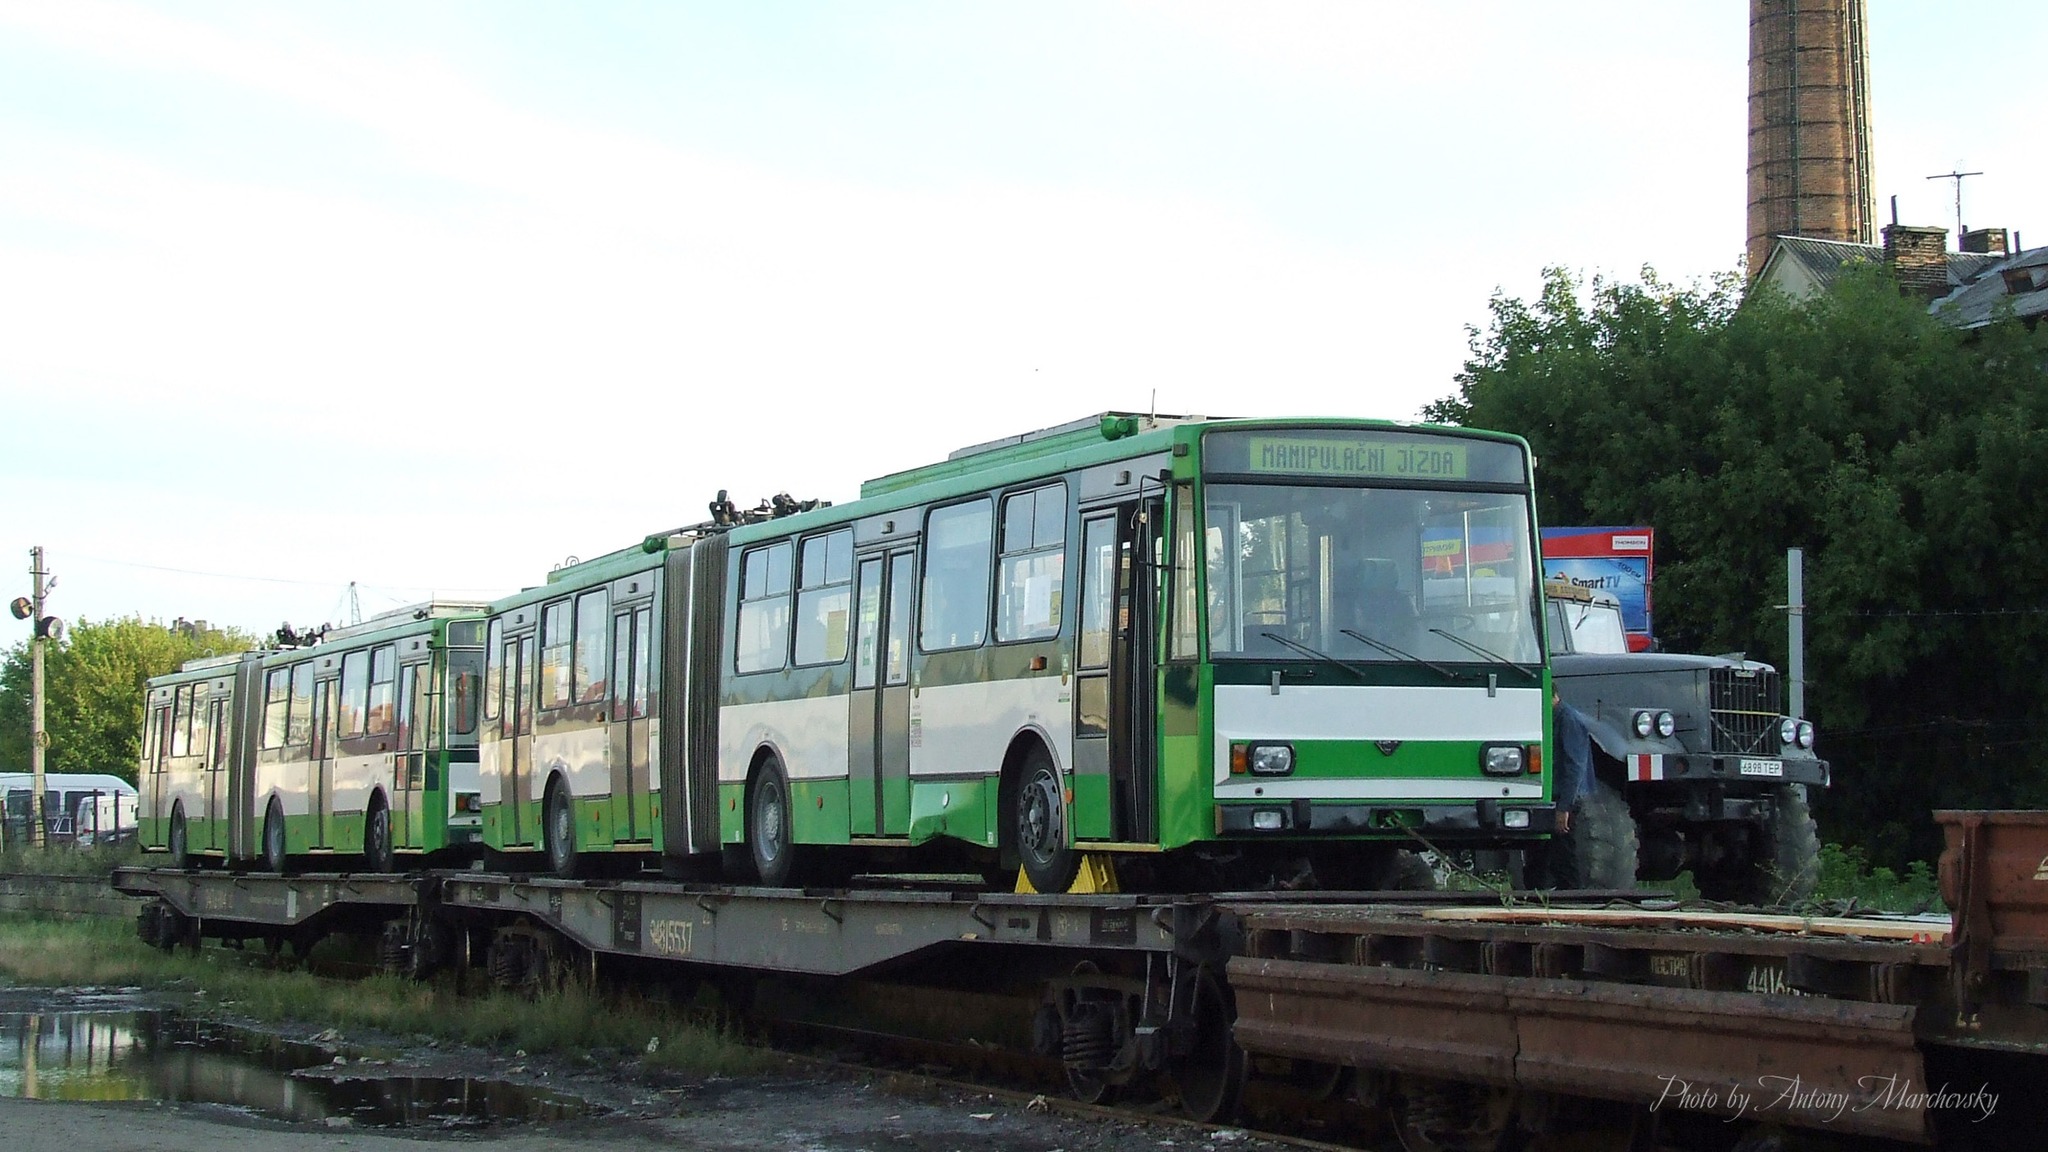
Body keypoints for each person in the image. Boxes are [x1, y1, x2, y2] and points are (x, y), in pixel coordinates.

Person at [1527, 688, 1593, 888]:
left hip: (1566, 796)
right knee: (1541, 855)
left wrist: (1564, 807)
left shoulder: (1568, 720)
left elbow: (1575, 766)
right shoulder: (1554, 718)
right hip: (1553, 794)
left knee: (1564, 854)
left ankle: (1572, 896)